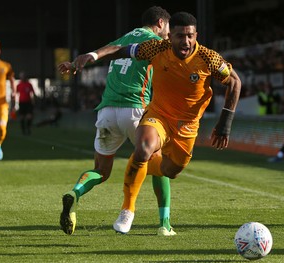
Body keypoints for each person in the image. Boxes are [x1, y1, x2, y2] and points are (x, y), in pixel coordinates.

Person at [71, 11, 241, 234]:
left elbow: (235, 82)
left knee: (171, 171)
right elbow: (121, 50)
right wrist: (93, 56)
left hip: (187, 126)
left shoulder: (209, 58)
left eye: (190, 36)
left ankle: (137, 164)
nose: (186, 41)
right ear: (170, 36)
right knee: (143, 148)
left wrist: (225, 122)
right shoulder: (157, 48)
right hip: (158, 115)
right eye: (180, 36)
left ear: (196, 35)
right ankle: (128, 210)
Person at [57, 6, 175, 236]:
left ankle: (75, 194)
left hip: (107, 110)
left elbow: (107, 52)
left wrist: (79, 62)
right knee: (159, 164)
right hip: (136, 109)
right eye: (169, 28)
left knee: (101, 171)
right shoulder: (156, 43)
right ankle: (164, 223)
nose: (170, 34)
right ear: (160, 23)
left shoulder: (126, 37)